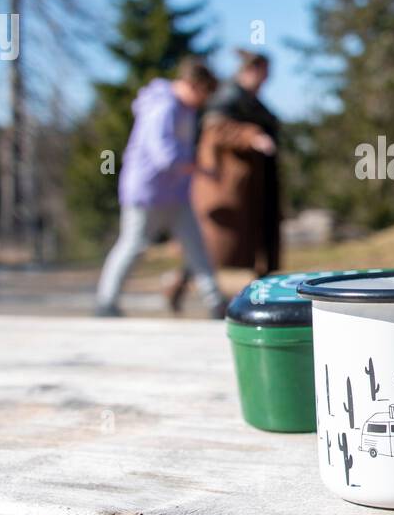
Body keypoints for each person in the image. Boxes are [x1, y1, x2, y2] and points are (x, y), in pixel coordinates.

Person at [95, 58, 226, 318]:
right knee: (133, 245)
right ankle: (106, 302)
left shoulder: (185, 110)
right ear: (193, 85)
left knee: (195, 245)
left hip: (176, 192)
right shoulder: (163, 107)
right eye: (203, 93)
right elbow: (164, 155)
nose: (203, 101)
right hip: (146, 191)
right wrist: (198, 166)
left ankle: (215, 302)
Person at [193, 48, 281, 277]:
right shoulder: (228, 96)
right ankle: (185, 284)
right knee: (220, 247)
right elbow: (215, 129)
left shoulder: (252, 100)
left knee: (256, 244)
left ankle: (257, 293)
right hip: (231, 186)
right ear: (252, 70)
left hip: (254, 186)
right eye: (264, 73)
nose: (267, 79)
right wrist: (251, 136)